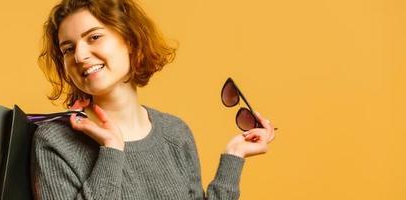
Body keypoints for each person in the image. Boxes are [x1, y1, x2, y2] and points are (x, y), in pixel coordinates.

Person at [31, 0, 276, 199]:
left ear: (129, 39)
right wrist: (112, 151)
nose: (81, 55)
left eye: (94, 37)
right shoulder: (55, 142)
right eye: (68, 49)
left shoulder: (175, 133)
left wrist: (234, 156)